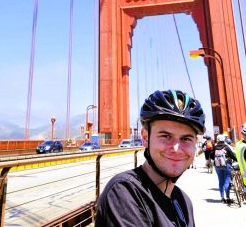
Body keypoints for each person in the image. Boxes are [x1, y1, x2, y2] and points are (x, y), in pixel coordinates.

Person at [95, 90, 206, 226]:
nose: (176, 149)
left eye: (186, 138)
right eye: (166, 136)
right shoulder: (123, 192)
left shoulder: (184, 201)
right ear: (145, 137)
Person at [213, 134, 237, 204]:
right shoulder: (226, 147)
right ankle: (227, 197)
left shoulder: (215, 147)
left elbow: (211, 156)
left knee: (220, 181)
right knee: (227, 180)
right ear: (224, 140)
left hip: (217, 166)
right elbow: (232, 155)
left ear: (218, 140)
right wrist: (236, 160)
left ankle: (222, 197)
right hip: (226, 165)